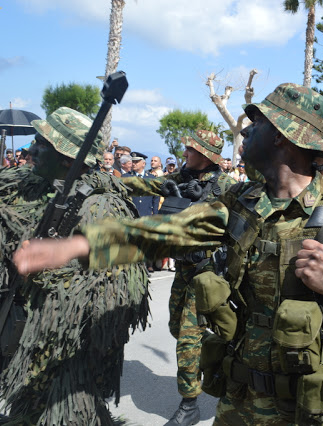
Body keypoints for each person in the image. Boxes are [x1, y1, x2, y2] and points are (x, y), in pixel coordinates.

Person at [14, 83, 323, 425]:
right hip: (238, 402)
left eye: (256, 125)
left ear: (282, 137)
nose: (245, 134)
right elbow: (170, 230)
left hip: (309, 410)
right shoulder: (241, 202)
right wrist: (78, 245)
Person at [0, 107, 149, 425]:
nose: (32, 150)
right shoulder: (38, 187)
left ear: (68, 159)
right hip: (23, 346)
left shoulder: (103, 207)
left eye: (42, 143)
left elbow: (124, 297)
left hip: (65, 363)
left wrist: (52, 274)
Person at [120, 129, 236, 425]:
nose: (185, 154)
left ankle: (189, 404)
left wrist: (205, 207)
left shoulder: (224, 185)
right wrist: (109, 182)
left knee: (187, 336)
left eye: (191, 150)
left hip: (207, 273)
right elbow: (144, 184)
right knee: (176, 326)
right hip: (184, 269)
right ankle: (219, 351)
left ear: (208, 155)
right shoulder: (181, 179)